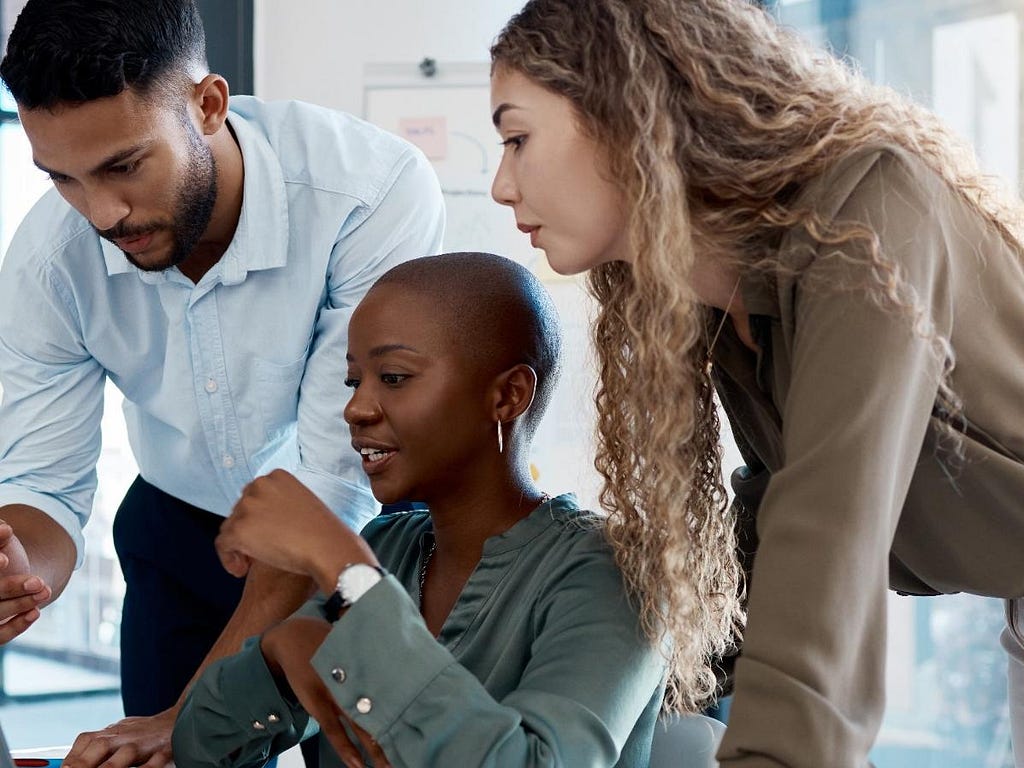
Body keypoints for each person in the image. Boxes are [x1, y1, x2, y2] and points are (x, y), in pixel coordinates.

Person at [488, 1, 1024, 766]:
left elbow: (829, 525)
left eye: (517, 138)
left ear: (626, 116)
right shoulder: (730, 298)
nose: (502, 185)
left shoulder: (874, 211)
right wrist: (610, 671)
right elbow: (774, 522)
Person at [0, 0, 443, 764]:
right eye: (64, 178)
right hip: (178, 529)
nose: (101, 212)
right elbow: (44, 485)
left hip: (358, 543)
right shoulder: (50, 260)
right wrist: (16, 570)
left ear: (208, 105)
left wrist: (191, 712)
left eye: (124, 166)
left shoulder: (367, 194)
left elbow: (332, 482)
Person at [170, 251, 666, 768]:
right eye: (353, 381)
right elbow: (199, 749)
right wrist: (273, 662)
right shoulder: (389, 548)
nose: (355, 408)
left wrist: (347, 571)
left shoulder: (612, 573)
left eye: (394, 377)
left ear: (508, 396)